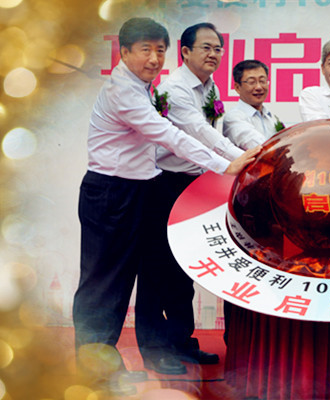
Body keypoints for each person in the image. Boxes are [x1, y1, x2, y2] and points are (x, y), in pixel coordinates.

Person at [72, 17, 256, 395]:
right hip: (112, 192)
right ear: (124, 52)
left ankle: (106, 364)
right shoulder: (126, 91)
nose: (155, 59)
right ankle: (96, 370)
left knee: (127, 280)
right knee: (103, 284)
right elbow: (170, 134)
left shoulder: (144, 87)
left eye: (159, 50)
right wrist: (225, 164)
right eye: (146, 50)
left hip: (140, 188)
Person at [138, 22, 258, 375]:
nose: (214, 54)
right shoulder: (174, 88)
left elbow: (219, 128)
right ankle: (155, 350)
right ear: (185, 52)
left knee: (183, 269)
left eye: (218, 48)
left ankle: (181, 343)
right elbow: (200, 133)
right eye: (206, 47)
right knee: (156, 270)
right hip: (164, 184)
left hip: (196, 185)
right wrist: (237, 161)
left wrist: (251, 152)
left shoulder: (211, 87)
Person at [223, 59, 280, 148]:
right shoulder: (233, 117)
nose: (259, 87)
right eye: (251, 82)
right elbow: (259, 148)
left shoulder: (271, 118)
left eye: (262, 81)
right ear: (237, 87)